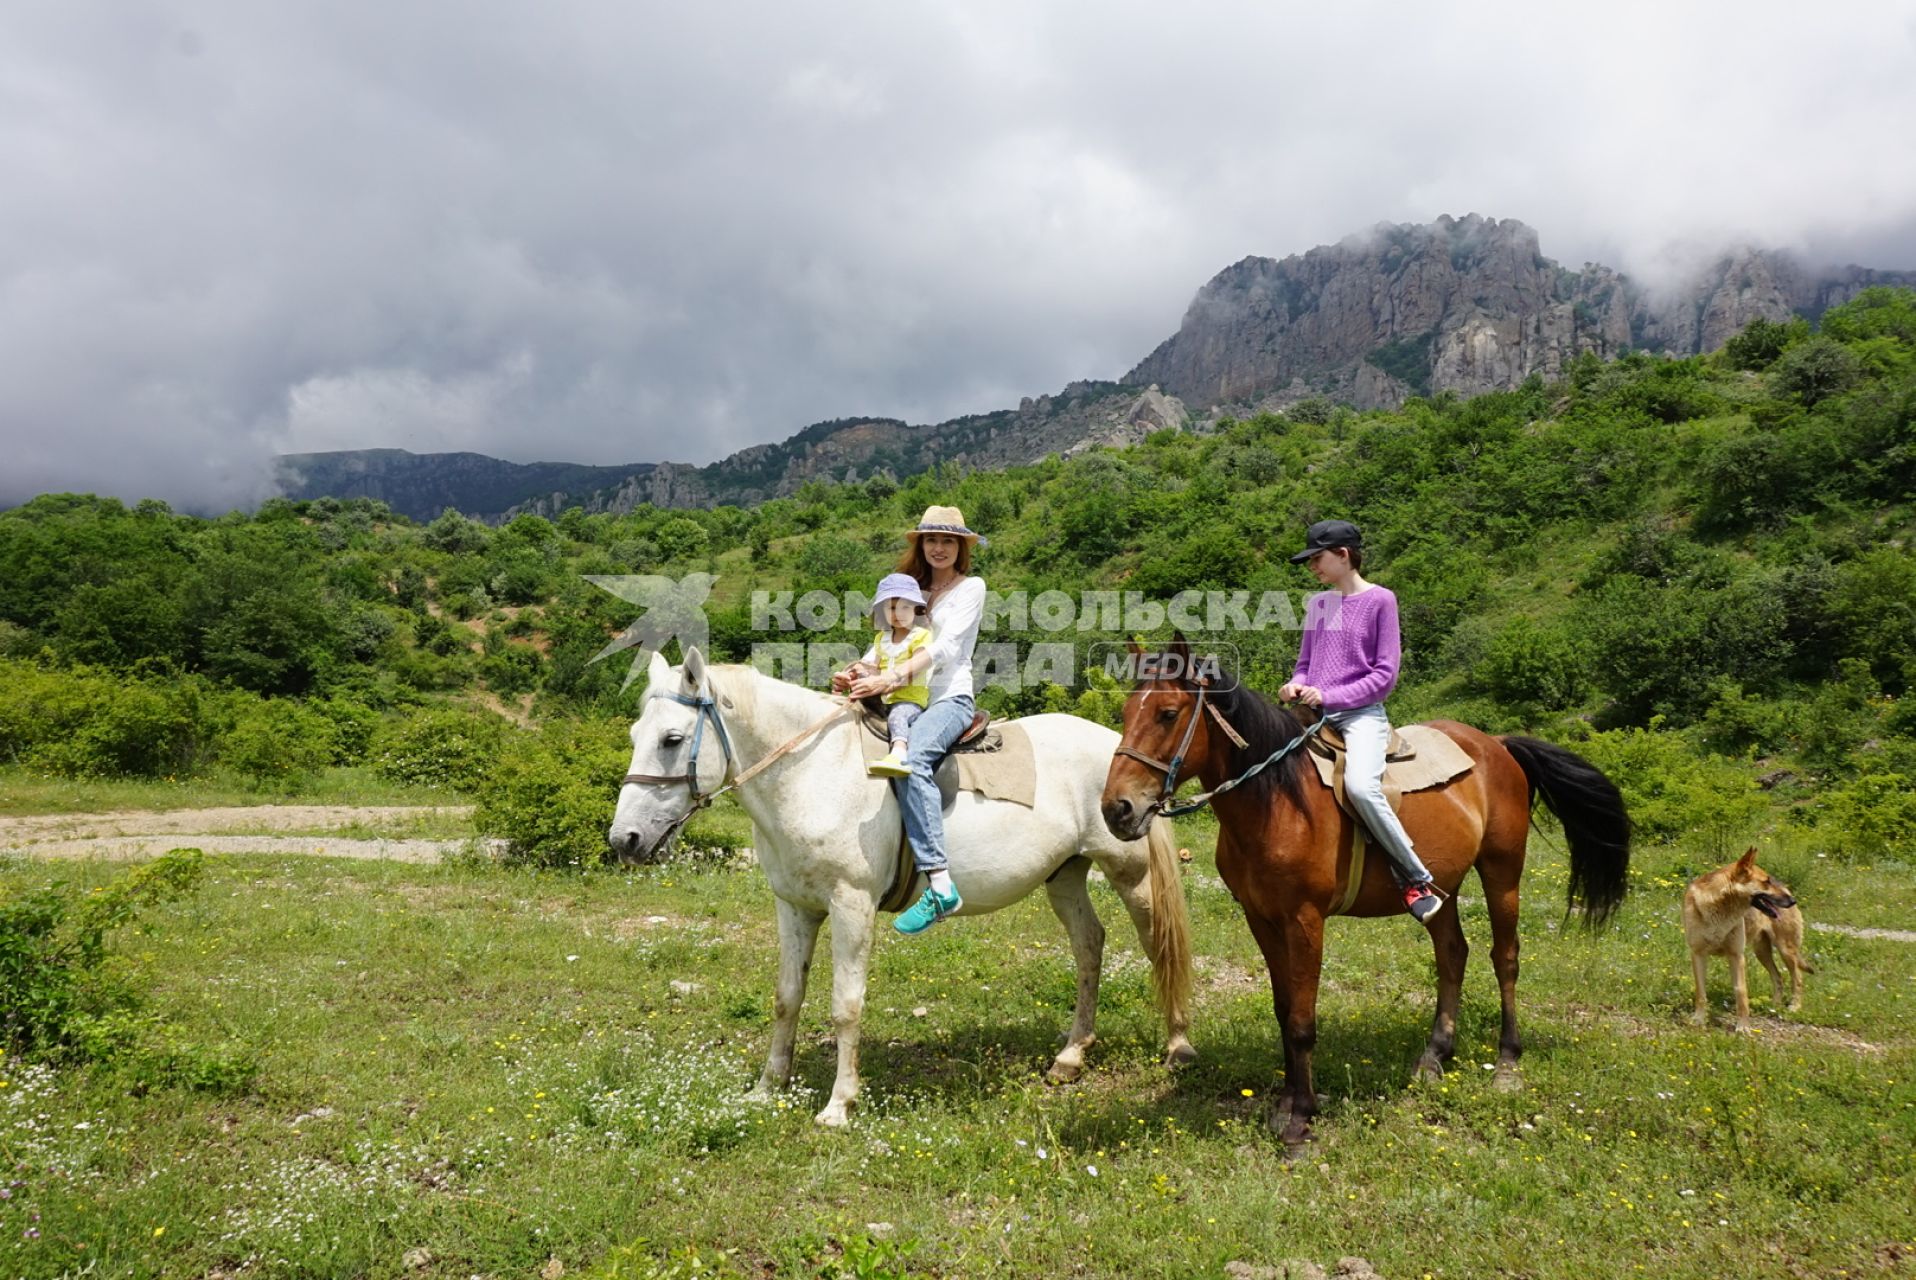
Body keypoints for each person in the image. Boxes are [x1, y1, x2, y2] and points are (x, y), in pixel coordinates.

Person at [1277, 519, 1444, 924]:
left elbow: (1384, 677)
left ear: (1343, 555)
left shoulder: (1381, 601)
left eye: (1317, 558)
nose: (1313, 566)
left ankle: (1416, 879)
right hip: (1311, 715)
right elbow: (1305, 665)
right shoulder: (1319, 605)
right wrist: (1295, 685)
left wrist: (1330, 694)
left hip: (1360, 716)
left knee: (1362, 788)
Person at [832, 505, 988, 935]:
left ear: (961, 548)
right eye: (931, 540)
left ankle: (940, 884)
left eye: (948, 541)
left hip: (947, 698)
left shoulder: (970, 588)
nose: (939, 548)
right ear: (921, 545)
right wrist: (858, 670)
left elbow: (948, 647)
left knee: (912, 760)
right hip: (899, 695)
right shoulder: (909, 589)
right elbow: (884, 644)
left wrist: (894, 676)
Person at [855, 573, 933, 778]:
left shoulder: (921, 636)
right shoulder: (882, 638)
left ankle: (899, 753)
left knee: (899, 716)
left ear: (917, 609)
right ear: (883, 611)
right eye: (891, 607)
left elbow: (916, 669)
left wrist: (888, 684)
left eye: (905, 607)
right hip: (884, 698)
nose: (899, 613)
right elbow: (876, 669)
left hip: (909, 697)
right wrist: (861, 674)